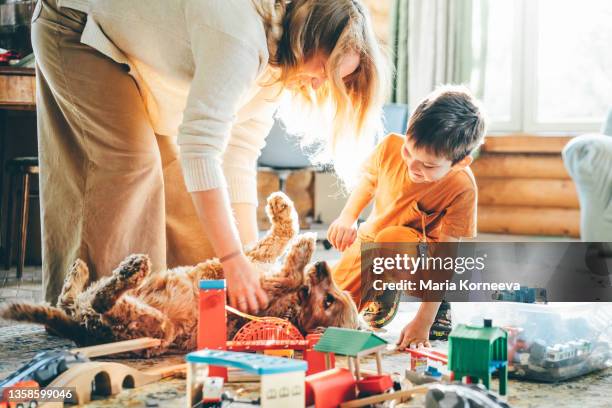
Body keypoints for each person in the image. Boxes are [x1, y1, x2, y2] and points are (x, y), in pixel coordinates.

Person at [31, 0, 388, 312]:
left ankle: (174, 307)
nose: (318, 85)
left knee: (187, 193)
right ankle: (91, 311)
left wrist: (251, 261)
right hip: (77, 26)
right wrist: (232, 261)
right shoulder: (241, 34)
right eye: (323, 72)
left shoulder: (280, 63)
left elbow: (239, 152)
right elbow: (201, 149)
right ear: (307, 40)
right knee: (131, 165)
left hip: (132, 50)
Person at [327, 86, 486, 349]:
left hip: (421, 258)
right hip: (372, 240)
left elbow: (446, 258)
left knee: (394, 239)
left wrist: (423, 321)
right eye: (409, 152)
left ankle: (436, 308)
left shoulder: (463, 187)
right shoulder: (390, 145)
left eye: (429, 165)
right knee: (330, 305)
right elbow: (369, 181)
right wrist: (347, 217)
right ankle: (379, 292)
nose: (413, 167)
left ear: (459, 163)